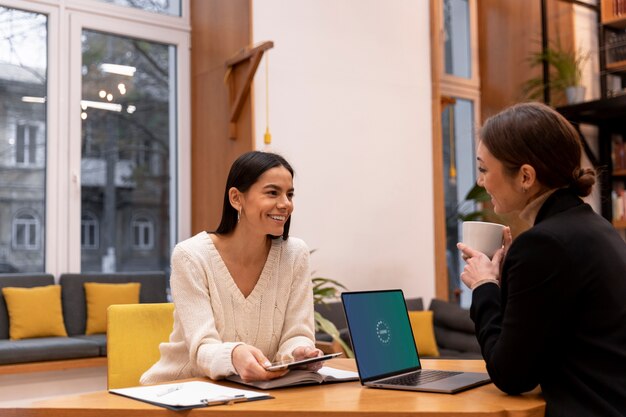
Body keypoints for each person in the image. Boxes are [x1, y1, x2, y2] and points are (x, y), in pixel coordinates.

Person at [457, 102, 626, 416]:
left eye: (483, 169)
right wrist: (509, 278)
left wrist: (483, 286)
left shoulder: (543, 243)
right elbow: (537, 346)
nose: (481, 182)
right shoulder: (593, 227)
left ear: (525, 176)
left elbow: (511, 375)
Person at [141, 151, 322, 384]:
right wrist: (234, 354)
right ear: (236, 198)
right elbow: (202, 348)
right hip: (180, 390)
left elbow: (297, 334)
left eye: (289, 194)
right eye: (272, 193)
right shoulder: (191, 256)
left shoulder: (295, 254)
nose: (285, 204)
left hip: (250, 392)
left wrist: (299, 352)